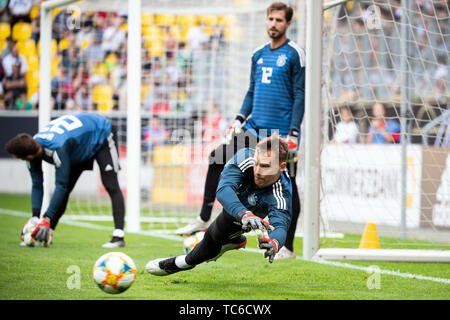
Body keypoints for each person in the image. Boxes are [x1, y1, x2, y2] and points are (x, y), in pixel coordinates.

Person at [175, 1, 305, 260]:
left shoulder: (295, 54)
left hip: (278, 135)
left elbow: (300, 94)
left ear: (288, 24)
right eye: (271, 19)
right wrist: (238, 118)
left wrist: (293, 132)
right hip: (253, 127)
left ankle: (287, 245)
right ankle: (203, 218)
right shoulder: (257, 53)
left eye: (279, 20)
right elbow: (251, 91)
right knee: (216, 158)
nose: (273, 24)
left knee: (289, 186)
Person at [146, 135, 292, 276]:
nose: (258, 171)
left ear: (281, 167)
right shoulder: (245, 157)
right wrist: (244, 213)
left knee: (213, 239)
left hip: (253, 213)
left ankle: (180, 263)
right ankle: (233, 240)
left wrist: (274, 242)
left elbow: (280, 224)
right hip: (239, 208)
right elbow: (223, 190)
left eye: (265, 166)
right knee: (214, 236)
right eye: (257, 163)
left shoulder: (281, 193)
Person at [4, 113, 126, 248]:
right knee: (65, 190)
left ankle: (118, 237)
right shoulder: (33, 145)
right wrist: (35, 217)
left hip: (101, 133)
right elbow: (37, 184)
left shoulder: (57, 147)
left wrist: (46, 218)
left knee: (111, 185)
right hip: (77, 147)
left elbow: (60, 185)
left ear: (29, 155)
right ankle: (46, 233)